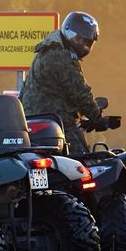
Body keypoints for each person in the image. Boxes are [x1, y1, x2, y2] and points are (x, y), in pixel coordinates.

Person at [19, 11, 109, 154]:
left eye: (86, 42)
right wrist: (97, 117)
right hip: (56, 123)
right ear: (67, 31)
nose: (81, 44)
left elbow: (24, 91)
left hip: (30, 124)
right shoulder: (61, 56)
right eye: (78, 38)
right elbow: (80, 92)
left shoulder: (45, 51)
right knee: (83, 164)